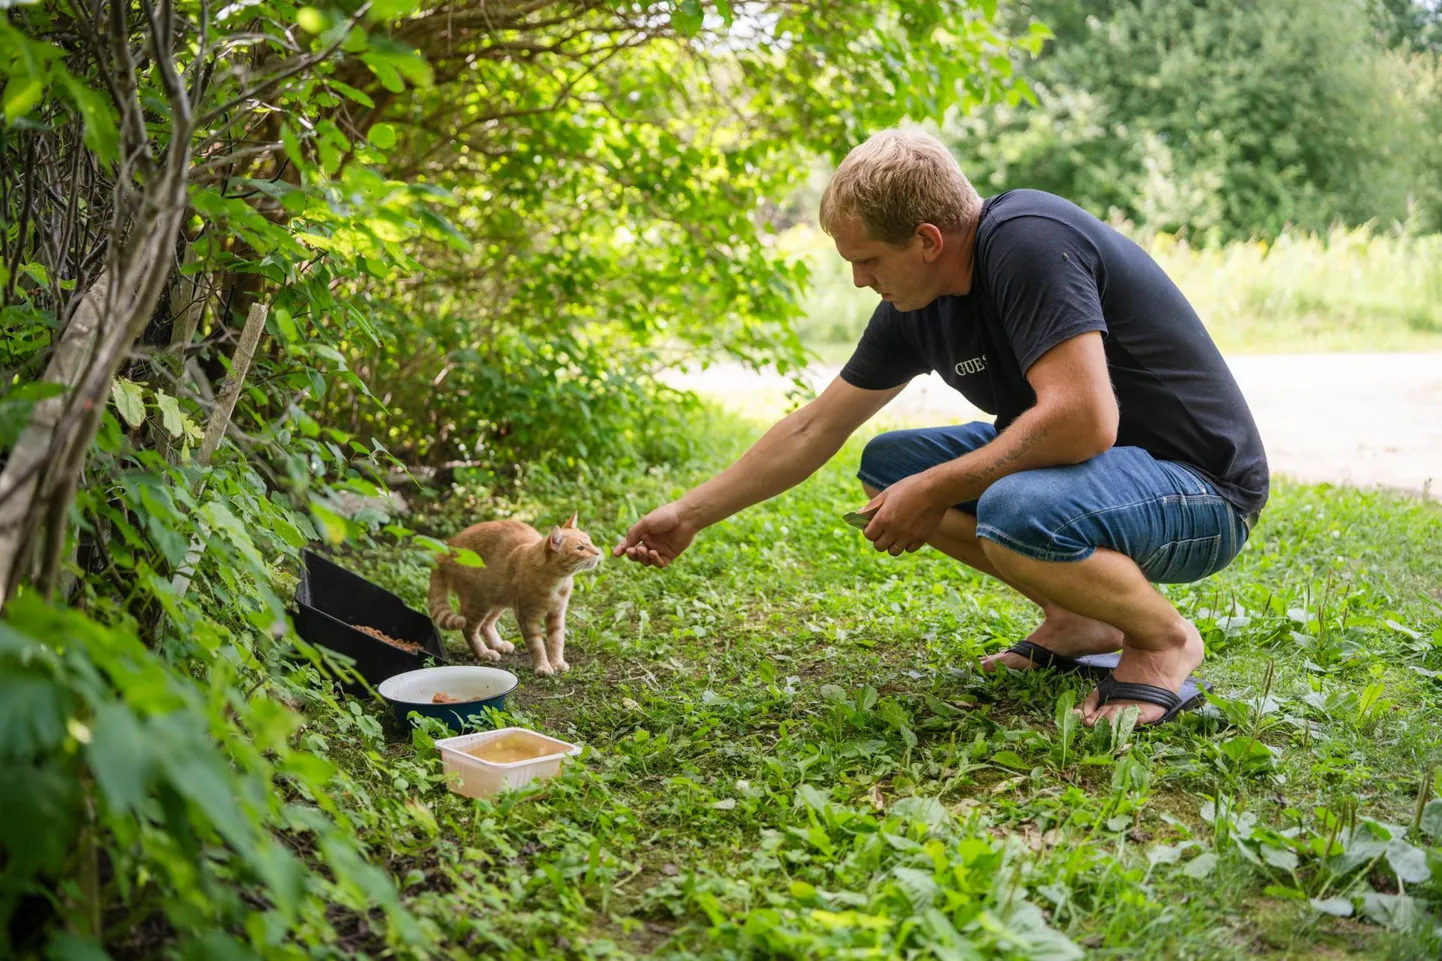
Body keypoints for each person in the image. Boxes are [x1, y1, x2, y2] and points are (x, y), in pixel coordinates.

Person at [612, 128, 1268, 727]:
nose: (858, 278)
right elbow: (815, 428)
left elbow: (1085, 419)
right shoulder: (917, 303)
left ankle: (1162, 639)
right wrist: (691, 514)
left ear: (927, 241)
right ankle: (1080, 620)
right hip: (1100, 483)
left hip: (1199, 488)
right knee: (891, 466)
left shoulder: (1027, 242)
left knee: (1013, 509)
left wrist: (937, 488)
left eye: (866, 259)